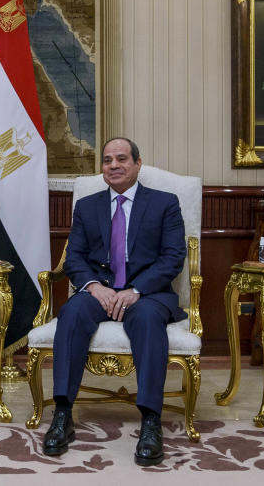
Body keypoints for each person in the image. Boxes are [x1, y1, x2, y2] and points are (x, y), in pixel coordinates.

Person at [42, 137, 186, 466]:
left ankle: (151, 421)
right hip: (101, 291)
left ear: (137, 164)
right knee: (72, 312)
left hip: (146, 294)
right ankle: (63, 415)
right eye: (107, 160)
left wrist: (135, 290)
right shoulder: (88, 206)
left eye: (122, 159)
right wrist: (93, 287)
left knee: (148, 321)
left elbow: (173, 258)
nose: (114, 165)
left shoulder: (165, 203)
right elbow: (74, 258)